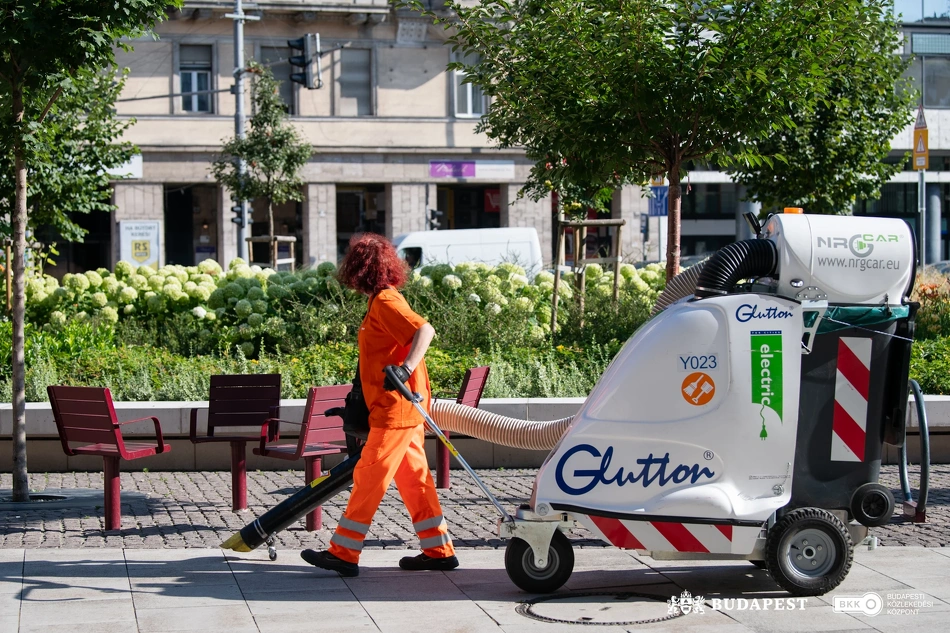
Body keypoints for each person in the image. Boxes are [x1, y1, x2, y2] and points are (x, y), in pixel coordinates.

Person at [301, 233, 458, 577]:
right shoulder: (382, 300)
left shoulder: (386, 301)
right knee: (415, 479)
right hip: (402, 409)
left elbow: (425, 331)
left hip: (395, 410)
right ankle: (438, 550)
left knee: (368, 477)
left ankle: (343, 552)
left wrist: (404, 368)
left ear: (357, 270)